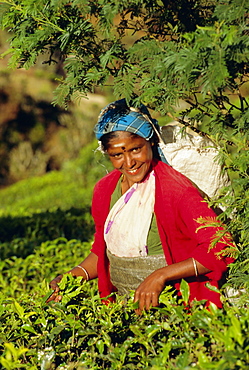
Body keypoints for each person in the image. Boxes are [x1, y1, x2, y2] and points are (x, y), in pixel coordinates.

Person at [47, 99, 234, 314]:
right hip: (123, 309)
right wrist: (71, 277)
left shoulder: (175, 191)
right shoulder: (104, 190)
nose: (129, 162)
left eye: (136, 149)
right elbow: (103, 250)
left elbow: (221, 248)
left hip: (177, 310)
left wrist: (160, 275)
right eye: (117, 155)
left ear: (151, 143)